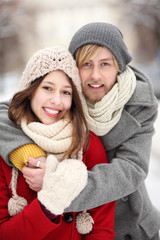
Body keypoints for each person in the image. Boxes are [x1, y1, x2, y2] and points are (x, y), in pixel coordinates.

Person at [0, 22, 160, 240]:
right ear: (74, 69)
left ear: (119, 67)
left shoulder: (139, 105)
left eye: (105, 64)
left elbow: (131, 170)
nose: (95, 75)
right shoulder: (65, 94)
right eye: (86, 64)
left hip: (125, 219)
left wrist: (57, 188)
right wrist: (22, 150)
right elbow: (12, 109)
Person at [0, 46, 116, 239]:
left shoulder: (88, 144)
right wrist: (49, 204)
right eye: (47, 88)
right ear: (30, 90)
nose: (56, 100)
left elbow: (102, 228)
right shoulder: (7, 146)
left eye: (66, 92)